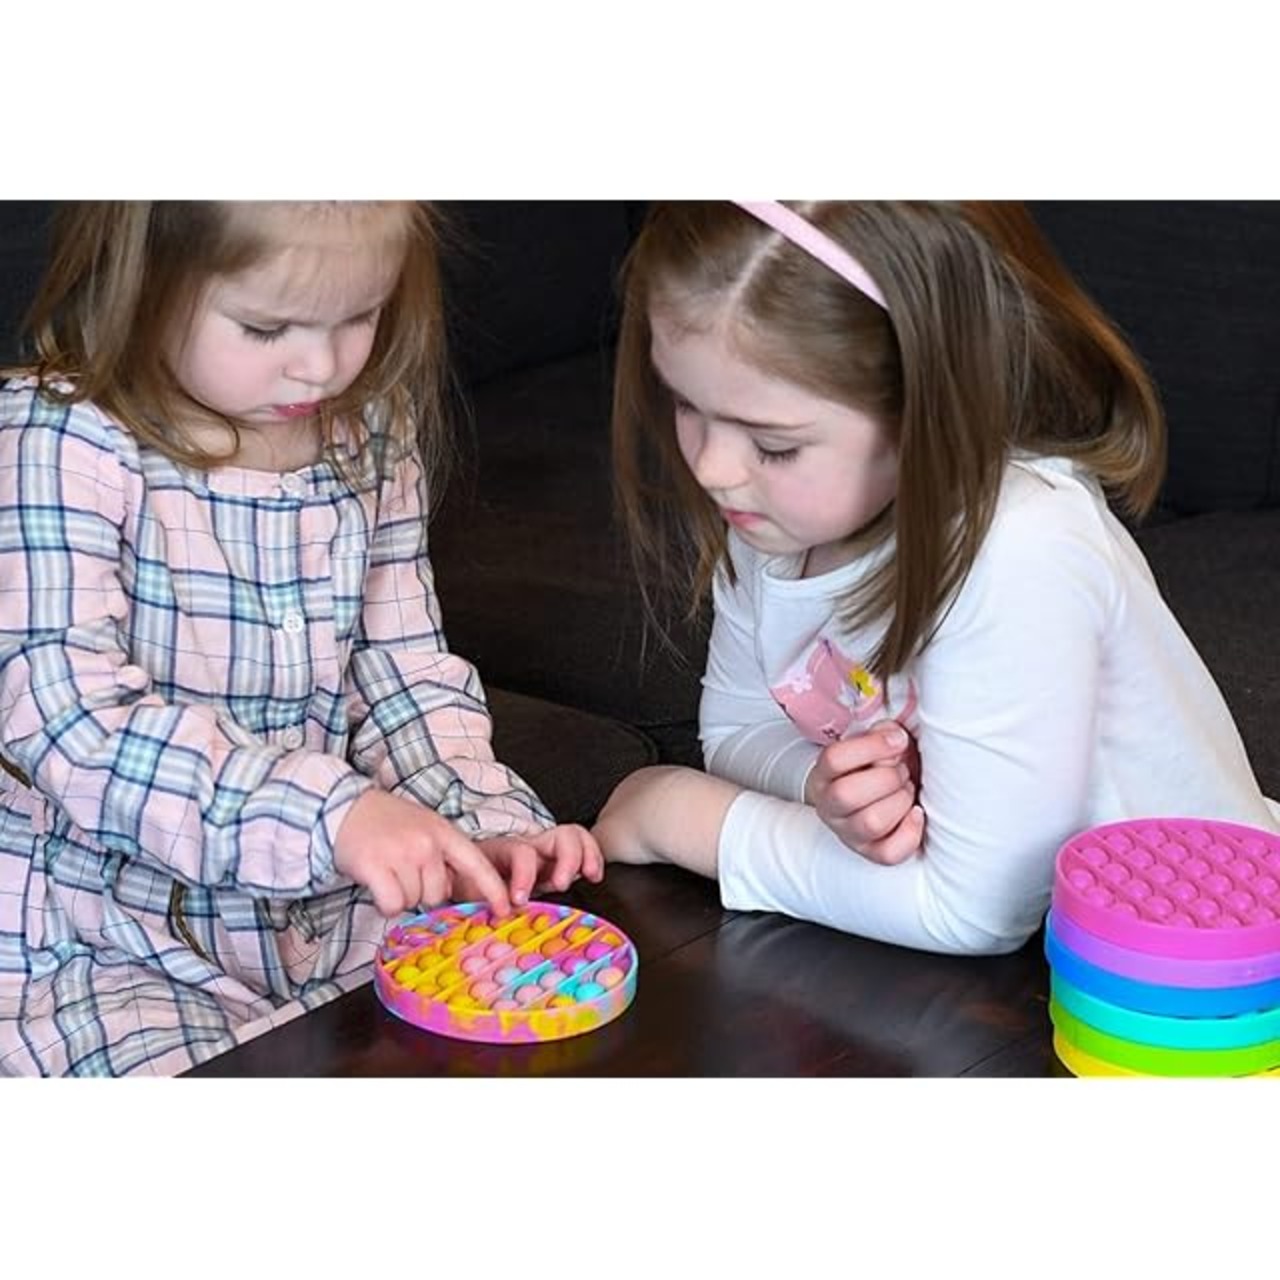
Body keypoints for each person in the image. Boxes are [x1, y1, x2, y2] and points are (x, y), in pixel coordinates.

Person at [0, 201, 602, 1076]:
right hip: (106, 933)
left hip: (322, 910)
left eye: (360, 315)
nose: (321, 364)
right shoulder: (59, 438)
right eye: (266, 327)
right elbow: (69, 722)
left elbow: (401, 674)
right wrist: (332, 814)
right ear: (144, 280)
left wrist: (476, 830)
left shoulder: (370, 430)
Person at [594, 200, 1278, 957]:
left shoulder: (1022, 548)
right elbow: (737, 729)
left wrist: (682, 817)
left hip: (1194, 963)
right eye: (686, 404)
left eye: (775, 445)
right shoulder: (776, 514)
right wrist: (820, 786)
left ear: (927, 409)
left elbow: (977, 910)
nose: (712, 468)